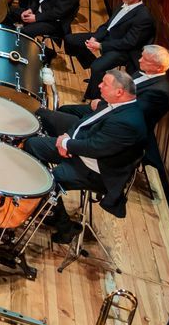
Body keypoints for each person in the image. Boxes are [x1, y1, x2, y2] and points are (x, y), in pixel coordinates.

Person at [26, 69, 150, 225]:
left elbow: (95, 148)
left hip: (95, 171)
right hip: (80, 150)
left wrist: (66, 144)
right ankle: (38, 202)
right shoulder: (113, 103)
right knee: (33, 145)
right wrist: (67, 139)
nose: (99, 85)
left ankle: (62, 224)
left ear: (119, 92)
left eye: (104, 83)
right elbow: (83, 123)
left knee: (47, 179)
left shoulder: (127, 122)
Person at [65, 0, 155, 79]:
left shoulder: (143, 17)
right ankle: (95, 72)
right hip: (108, 37)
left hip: (122, 50)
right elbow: (107, 25)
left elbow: (129, 43)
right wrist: (95, 38)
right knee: (70, 40)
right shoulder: (122, 4)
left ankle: (95, 92)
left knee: (97, 67)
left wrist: (101, 45)